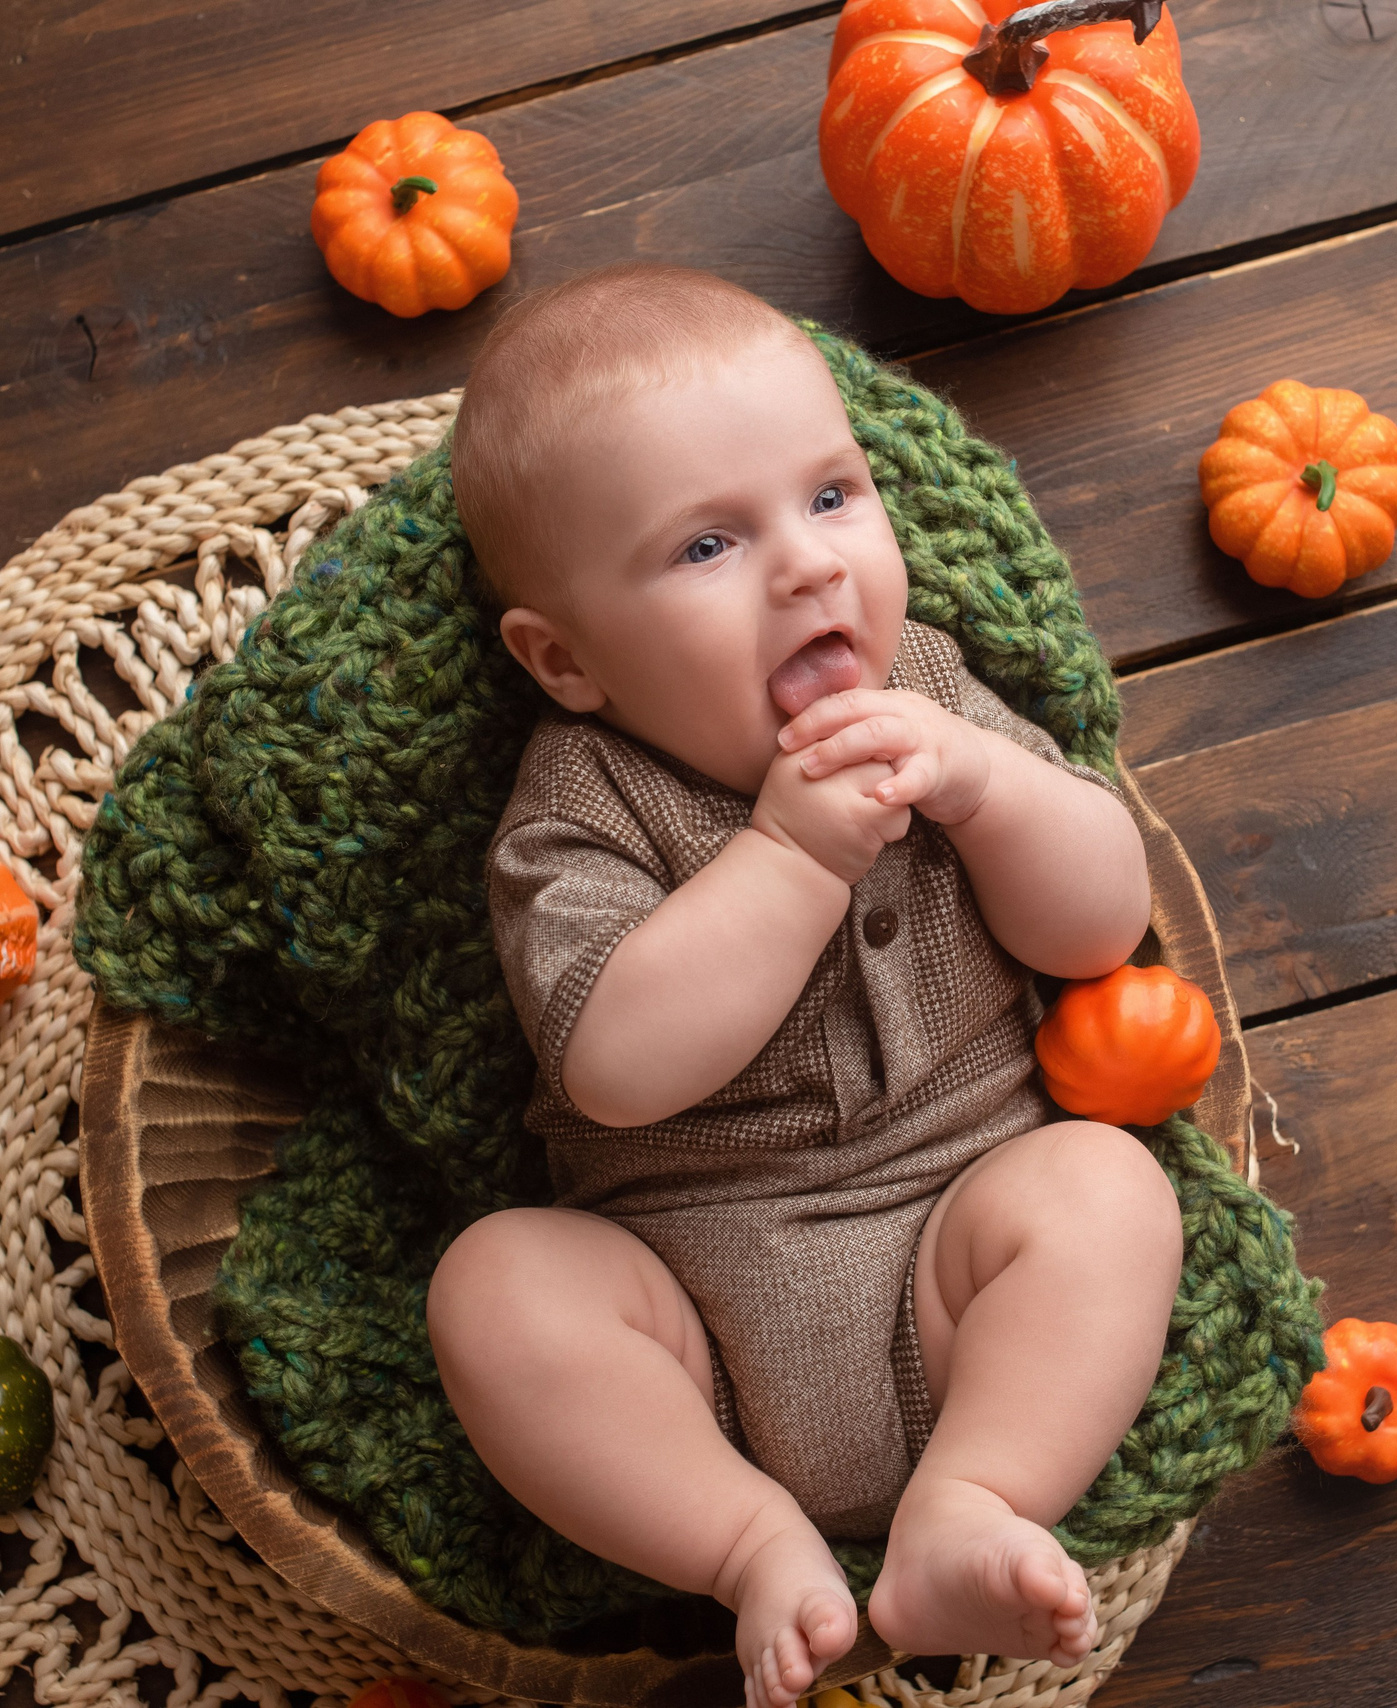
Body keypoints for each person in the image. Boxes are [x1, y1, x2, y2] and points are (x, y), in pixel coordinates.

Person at [424, 264, 1181, 1708]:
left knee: (1106, 1193)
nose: (809, 565)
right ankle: (748, 1542)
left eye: (832, 496)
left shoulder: (941, 699)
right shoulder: (579, 806)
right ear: (564, 658)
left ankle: (968, 1500)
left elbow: (1101, 929)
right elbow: (618, 1063)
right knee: (497, 1293)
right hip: (688, 1331)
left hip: (964, 1260)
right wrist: (783, 856)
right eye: (709, 544)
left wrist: (991, 792)